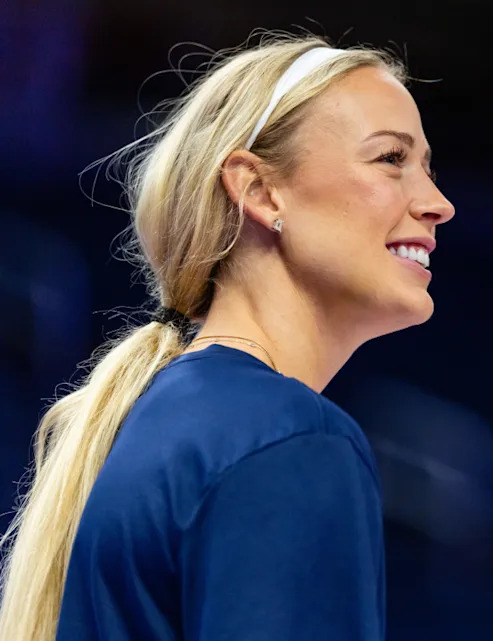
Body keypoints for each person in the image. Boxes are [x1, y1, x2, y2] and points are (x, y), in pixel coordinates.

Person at [0, 32, 455, 641]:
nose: (438, 203)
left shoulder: (156, 416)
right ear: (261, 191)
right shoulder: (290, 440)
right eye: (391, 159)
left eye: (427, 167)